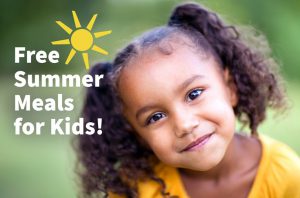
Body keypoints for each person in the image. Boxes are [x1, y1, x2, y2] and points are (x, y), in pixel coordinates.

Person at [75, 2, 300, 198]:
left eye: (194, 94)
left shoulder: (286, 177)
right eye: (156, 117)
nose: (184, 124)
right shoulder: (135, 190)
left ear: (230, 88)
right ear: (136, 133)